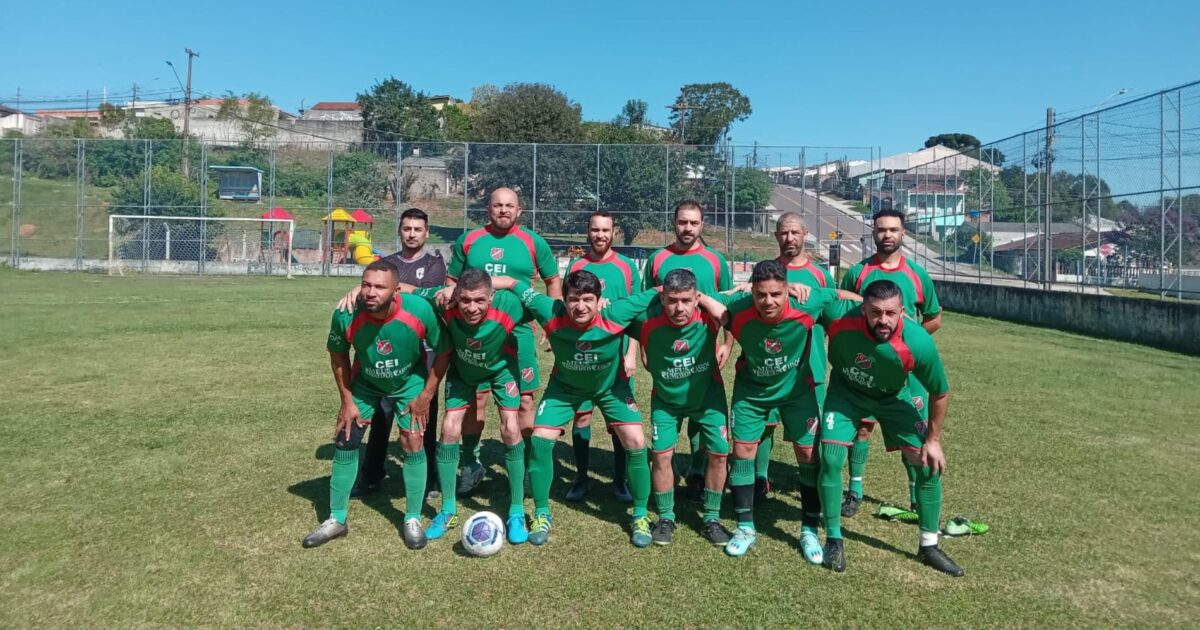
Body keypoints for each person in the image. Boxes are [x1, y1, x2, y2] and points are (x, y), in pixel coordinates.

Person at [499, 270, 658, 547]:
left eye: (588, 300)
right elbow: (515, 283)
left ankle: (641, 515)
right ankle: (541, 513)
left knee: (636, 440)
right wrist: (464, 287)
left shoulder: (616, 312)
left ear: (599, 301)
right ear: (563, 299)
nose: (580, 306)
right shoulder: (549, 310)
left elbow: (657, 291)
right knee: (540, 440)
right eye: (573, 299)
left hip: (611, 389)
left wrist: (708, 298)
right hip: (565, 389)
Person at [815, 279, 962, 576]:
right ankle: (833, 538)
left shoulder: (917, 342)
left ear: (903, 311)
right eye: (876, 312)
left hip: (894, 398)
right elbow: (798, 294)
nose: (883, 320)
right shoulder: (840, 316)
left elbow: (940, 392)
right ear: (862, 309)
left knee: (926, 463)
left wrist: (932, 439)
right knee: (830, 458)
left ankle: (929, 545)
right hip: (846, 395)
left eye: (891, 313)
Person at [304, 260, 449, 550]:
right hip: (366, 383)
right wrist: (346, 401)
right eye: (366, 284)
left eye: (379, 287)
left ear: (396, 291)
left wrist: (426, 396)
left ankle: (411, 517)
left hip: (410, 382)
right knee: (346, 438)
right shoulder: (346, 314)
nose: (370, 292)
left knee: (412, 440)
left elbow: (444, 351)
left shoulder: (419, 310)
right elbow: (338, 357)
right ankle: (337, 519)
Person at [705, 259, 836, 559]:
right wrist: (726, 292)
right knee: (743, 452)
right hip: (752, 392)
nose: (768, 301)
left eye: (776, 294)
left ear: (788, 290)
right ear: (751, 292)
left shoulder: (808, 303)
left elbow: (840, 295)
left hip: (797, 392)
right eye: (761, 294)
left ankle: (809, 530)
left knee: (808, 454)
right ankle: (745, 527)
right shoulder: (739, 307)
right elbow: (697, 296)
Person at [399, 269, 531, 544]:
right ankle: (448, 510)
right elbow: (403, 289)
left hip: (502, 370)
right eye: (466, 300)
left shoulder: (511, 305)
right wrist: (356, 290)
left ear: (492, 297)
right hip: (462, 371)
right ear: (456, 296)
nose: (472, 308)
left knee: (510, 428)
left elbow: (552, 308)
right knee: (449, 429)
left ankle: (517, 510)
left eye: (480, 300)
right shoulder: (443, 302)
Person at [444, 188, 562, 496]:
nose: (503, 210)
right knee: (476, 399)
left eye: (509, 206)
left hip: (519, 331)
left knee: (524, 400)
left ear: (520, 211)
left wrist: (552, 323)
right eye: (498, 205)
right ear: (489, 209)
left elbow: (553, 280)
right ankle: (471, 464)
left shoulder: (533, 243)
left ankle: (522, 468)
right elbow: (451, 284)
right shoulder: (468, 241)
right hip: (475, 332)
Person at [838, 206, 943, 518]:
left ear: (903, 233)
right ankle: (854, 491)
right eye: (881, 229)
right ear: (873, 233)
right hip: (866, 370)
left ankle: (915, 496)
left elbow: (935, 319)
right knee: (862, 429)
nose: (887, 235)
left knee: (913, 433)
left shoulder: (917, 275)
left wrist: (905, 347)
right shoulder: (858, 273)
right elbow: (843, 310)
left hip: (906, 374)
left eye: (893, 230)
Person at [337, 208, 446, 500]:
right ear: (400, 231)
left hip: (424, 350)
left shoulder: (435, 264)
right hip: (390, 349)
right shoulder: (385, 263)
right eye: (407, 228)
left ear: (426, 232)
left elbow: (430, 295)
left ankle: (430, 479)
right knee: (382, 413)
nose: (412, 233)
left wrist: (397, 290)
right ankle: (371, 475)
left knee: (423, 415)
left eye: (417, 229)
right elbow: (374, 291)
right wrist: (356, 291)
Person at [626, 269, 732, 547]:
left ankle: (711, 517)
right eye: (672, 300)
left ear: (697, 298)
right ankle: (665, 517)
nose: (679, 308)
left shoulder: (708, 315)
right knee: (661, 456)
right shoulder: (647, 320)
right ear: (662, 298)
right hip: (666, 400)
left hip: (708, 397)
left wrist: (706, 301)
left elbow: (727, 316)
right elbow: (614, 314)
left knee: (720, 454)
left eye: (686, 300)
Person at [642, 200, 734, 501]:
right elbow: (645, 306)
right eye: (683, 222)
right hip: (668, 349)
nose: (688, 228)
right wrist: (643, 348)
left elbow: (728, 306)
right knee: (677, 404)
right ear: (673, 222)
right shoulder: (657, 259)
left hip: (705, 346)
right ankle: (681, 475)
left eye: (694, 223)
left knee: (703, 411)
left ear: (702, 225)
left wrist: (726, 344)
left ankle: (697, 470)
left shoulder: (716, 261)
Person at [753, 212, 836, 504]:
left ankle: (813, 482)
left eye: (795, 233)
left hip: (810, 368)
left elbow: (831, 317)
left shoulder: (820, 276)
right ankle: (760, 479)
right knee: (765, 425)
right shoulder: (767, 272)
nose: (789, 238)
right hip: (769, 366)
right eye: (784, 233)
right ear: (776, 236)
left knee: (813, 431)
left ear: (804, 235)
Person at [563, 210, 641, 502]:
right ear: (588, 231)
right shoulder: (577, 264)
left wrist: (631, 353)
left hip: (616, 358)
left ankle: (620, 482)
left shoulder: (626, 267)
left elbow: (636, 315)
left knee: (619, 423)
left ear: (614, 232)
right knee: (582, 416)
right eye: (595, 230)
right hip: (582, 357)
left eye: (605, 230)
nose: (600, 235)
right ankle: (581, 479)